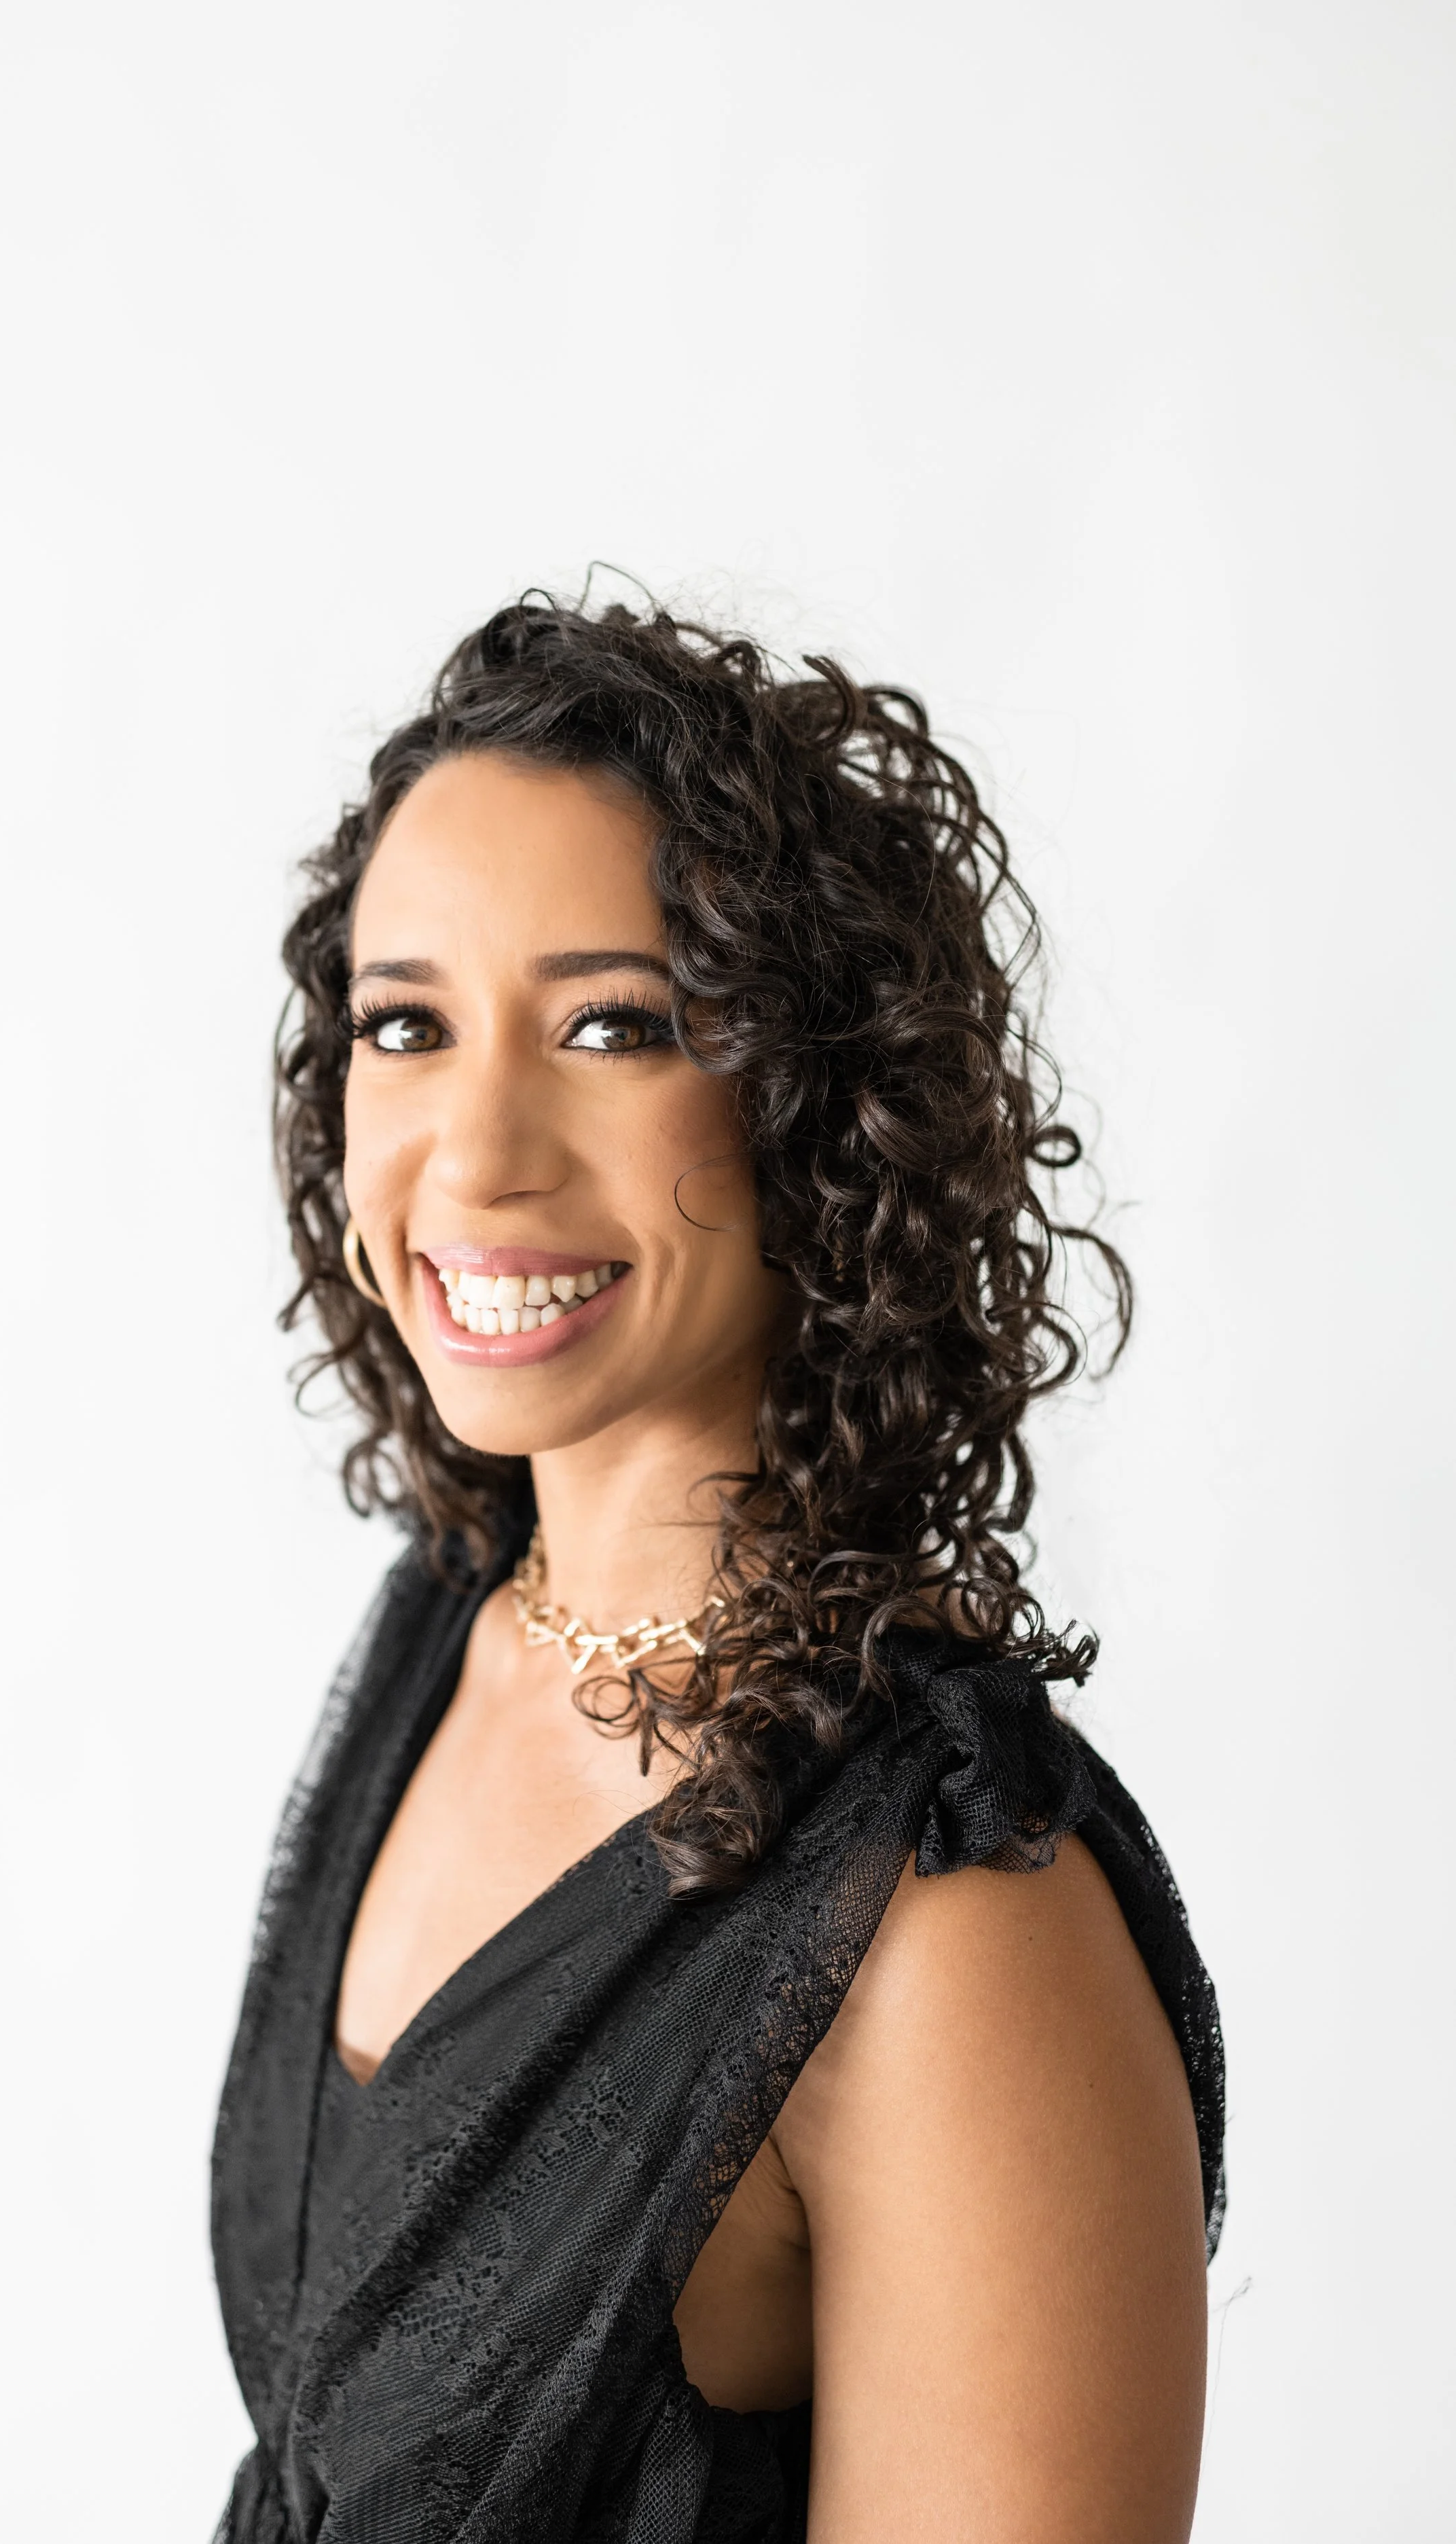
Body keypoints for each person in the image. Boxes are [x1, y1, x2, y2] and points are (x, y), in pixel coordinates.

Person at [210, 594, 1224, 2544]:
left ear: (817, 1105)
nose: (476, 1149)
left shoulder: (949, 1927)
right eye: (405, 1025)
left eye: (615, 1024)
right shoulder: (457, 1621)